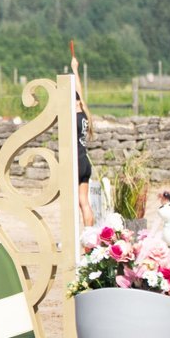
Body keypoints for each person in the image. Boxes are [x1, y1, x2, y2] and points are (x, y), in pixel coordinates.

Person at [71, 55, 95, 227]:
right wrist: (75, 69)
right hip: (85, 161)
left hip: (77, 162)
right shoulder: (85, 113)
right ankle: (89, 235)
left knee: (73, 203)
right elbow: (79, 91)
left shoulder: (73, 116)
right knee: (84, 203)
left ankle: (73, 236)